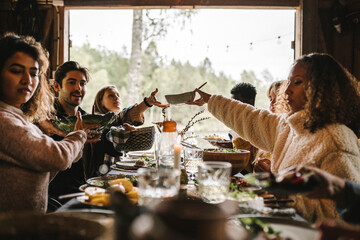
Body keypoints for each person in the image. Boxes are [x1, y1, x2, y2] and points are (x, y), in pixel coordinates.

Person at [187, 53, 360, 222]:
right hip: (280, 223)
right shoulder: (288, 125)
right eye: (288, 83)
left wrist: (280, 191)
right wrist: (209, 100)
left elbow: (342, 216)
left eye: (297, 82)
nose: (287, 90)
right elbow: (249, 118)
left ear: (322, 88)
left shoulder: (337, 141)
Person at [0, 33, 88, 213]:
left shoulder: (18, 117)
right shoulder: (4, 121)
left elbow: (42, 168)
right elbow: (56, 157)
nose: (28, 80)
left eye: (34, 73)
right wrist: (78, 137)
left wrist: (73, 152)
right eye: (16, 70)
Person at [87, 85, 169, 177]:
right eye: (111, 95)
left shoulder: (117, 121)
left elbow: (123, 117)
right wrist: (147, 103)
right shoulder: (98, 120)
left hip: (114, 173)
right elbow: (125, 116)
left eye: (118, 95)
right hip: (101, 177)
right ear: (101, 102)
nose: (116, 98)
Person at [48, 61, 101, 202]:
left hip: (87, 192)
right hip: (56, 199)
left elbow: (105, 146)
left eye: (82, 84)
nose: (78, 88)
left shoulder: (88, 119)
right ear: (56, 86)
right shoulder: (45, 119)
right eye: (72, 82)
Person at [253, 80, 289, 173]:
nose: (272, 103)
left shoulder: (291, 133)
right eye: (270, 99)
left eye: (277, 98)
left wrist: (272, 171)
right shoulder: (268, 130)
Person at [229, 82, 258, 174]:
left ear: (250, 101)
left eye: (237, 102)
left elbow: (253, 161)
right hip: (240, 172)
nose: (233, 107)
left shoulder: (259, 123)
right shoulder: (237, 121)